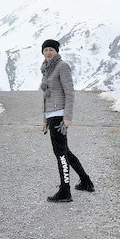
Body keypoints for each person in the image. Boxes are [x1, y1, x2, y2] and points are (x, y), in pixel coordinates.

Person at [40, 39, 95, 202]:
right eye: (46, 50)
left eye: (51, 49)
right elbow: (45, 97)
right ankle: (86, 181)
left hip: (60, 114)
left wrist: (67, 117)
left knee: (60, 153)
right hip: (51, 115)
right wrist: (44, 119)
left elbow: (70, 93)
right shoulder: (45, 69)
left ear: (56, 51)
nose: (48, 52)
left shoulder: (62, 66)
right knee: (65, 151)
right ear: (42, 52)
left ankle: (65, 191)